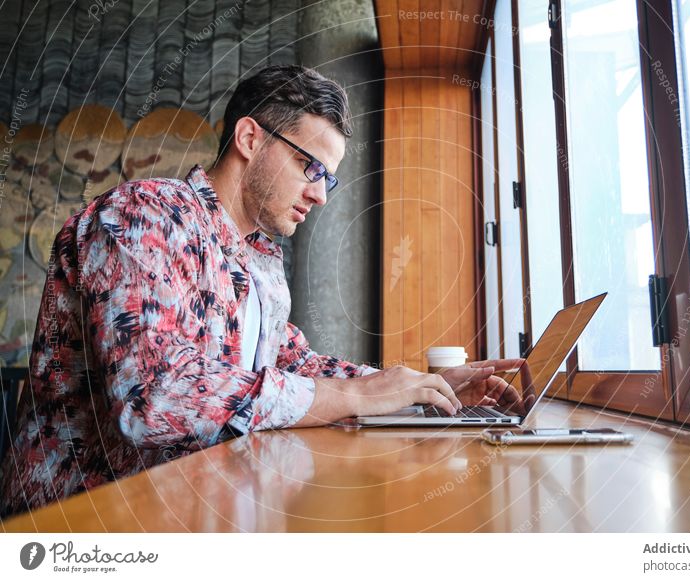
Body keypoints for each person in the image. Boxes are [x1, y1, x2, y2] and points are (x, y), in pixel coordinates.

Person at [0, 65, 523, 518]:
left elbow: (296, 367)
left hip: (195, 507)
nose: (320, 194)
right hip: (87, 522)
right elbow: (154, 397)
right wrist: (359, 396)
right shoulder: (144, 216)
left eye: (329, 179)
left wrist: (415, 389)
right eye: (309, 167)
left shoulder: (261, 262)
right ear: (250, 140)